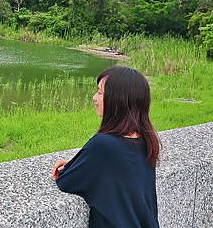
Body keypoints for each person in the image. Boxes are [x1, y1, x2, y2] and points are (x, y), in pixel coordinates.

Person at [51, 66, 160, 228]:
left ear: (118, 99)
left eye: (100, 92)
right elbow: (120, 176)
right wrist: (86, 163)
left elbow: (67, 181)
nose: (94, 97)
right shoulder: (146, 141)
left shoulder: (103, 145)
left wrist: (76, 166)